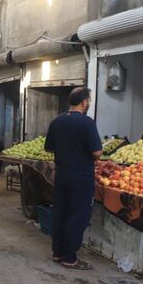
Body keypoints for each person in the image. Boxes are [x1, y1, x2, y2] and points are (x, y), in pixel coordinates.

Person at [44, 87, 102, 271]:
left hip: (61, 175)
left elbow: (48, 147)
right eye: (89, 100)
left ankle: (57, 252)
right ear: (84, 102)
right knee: (78, 216)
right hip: (81, 177)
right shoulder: (87, 123)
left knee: (61, 213)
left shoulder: (57, 121)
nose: (89, 103)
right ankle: (70, 258)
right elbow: (97, 152)